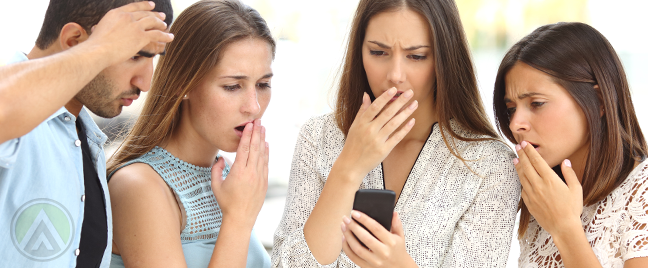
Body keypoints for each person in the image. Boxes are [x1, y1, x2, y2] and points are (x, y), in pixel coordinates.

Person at [272, 0, 520, 267]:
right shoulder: (318, 137)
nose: (395, 75)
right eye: (378, 53)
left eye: (416, 56)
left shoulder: (489, 165)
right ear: (360, 52)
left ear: (444, 59)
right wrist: (348, 168)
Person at [0, 0, 173, 267]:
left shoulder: (83, 137)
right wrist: (100, 49)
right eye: (133, 54)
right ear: (74, 41)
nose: (145, 83)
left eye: (154, 58)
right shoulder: (17, 125)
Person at [106, 0, 273, 267]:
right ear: (184, 83)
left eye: (263, 84)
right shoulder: (138, 186)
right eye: (232, 86)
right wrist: (239, 217)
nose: (254, 106)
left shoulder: (231, 178)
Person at [493, 22, 648, 268]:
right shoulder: (542, 196)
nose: (515, 125)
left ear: (598, 102)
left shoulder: (641, 194)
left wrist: (565, 230)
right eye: (511, 109)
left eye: (536, 103)